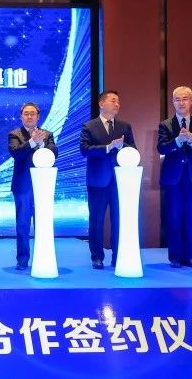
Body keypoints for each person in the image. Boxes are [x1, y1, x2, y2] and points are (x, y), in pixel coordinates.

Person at [78, 90, 136, 269]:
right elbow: (85, 150)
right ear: (101, 104)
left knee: (119, 219)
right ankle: (97, 256)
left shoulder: (125, 126)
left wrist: (122, 146)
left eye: (118, 101)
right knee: (96, 220)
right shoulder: (89, 126)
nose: (117, 104)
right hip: (97, 180)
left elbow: (133, 150)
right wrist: (108, 147)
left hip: (120, 181)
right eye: (113, 101)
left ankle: (118, 256)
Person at [156, 85, 192, 268]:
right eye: (177, 100)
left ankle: (189, 256)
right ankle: (174, 256)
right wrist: (177, 141)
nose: (181, 103)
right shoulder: (165, 125)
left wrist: (191, 140)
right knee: (173, 218)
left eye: (185, 99)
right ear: (173, 102)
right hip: (173, 179)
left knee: (191, 218)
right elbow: (161, 147)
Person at [7, 102, 57, 271]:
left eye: (32, 113)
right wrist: (32, 142)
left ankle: (43, 257)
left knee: (43, 222)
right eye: (26, 113)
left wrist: (41, 143)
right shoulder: (14, 134)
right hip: (23, 185)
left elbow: (54, 153)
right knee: (23, 224)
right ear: (21, 116)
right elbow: (16, 153)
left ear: (38, 116)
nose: (29, 116)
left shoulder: (47, 134)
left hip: (43, 186)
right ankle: (22, 259)